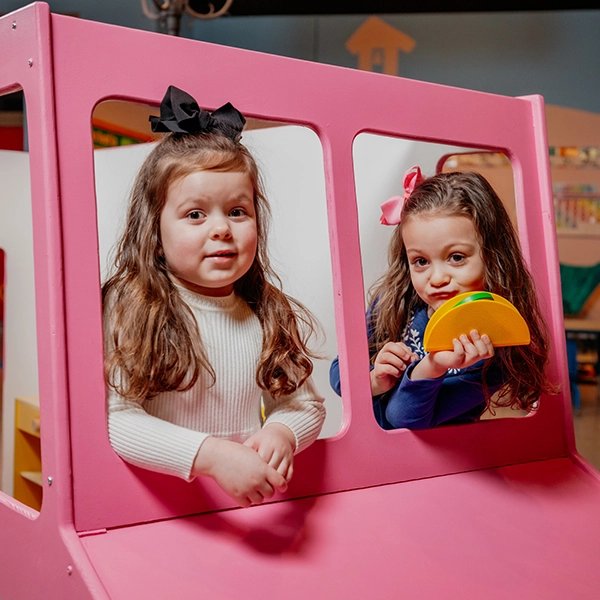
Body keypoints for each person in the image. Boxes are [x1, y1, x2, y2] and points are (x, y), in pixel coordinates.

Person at [103, 86, 325, 507]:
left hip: (245, 507)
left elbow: (306, 404)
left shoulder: (268, 311)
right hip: (151, 510)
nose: (222, 228)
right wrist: (211, 457)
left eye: (237, 211)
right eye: (195, 214)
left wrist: (282, 431)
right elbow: (114, 419)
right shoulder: (131, 305)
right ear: (154, 231)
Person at [330, 166, 555, 430]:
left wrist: (433, 366)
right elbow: (339, 374)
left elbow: (403, 419)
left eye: (456, 257)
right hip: (373, 459)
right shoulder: (394, 300)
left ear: (493, 257)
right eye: (421, 261)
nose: (437, 278)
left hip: (440, 465)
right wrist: (375, 381)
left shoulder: (495, 347)